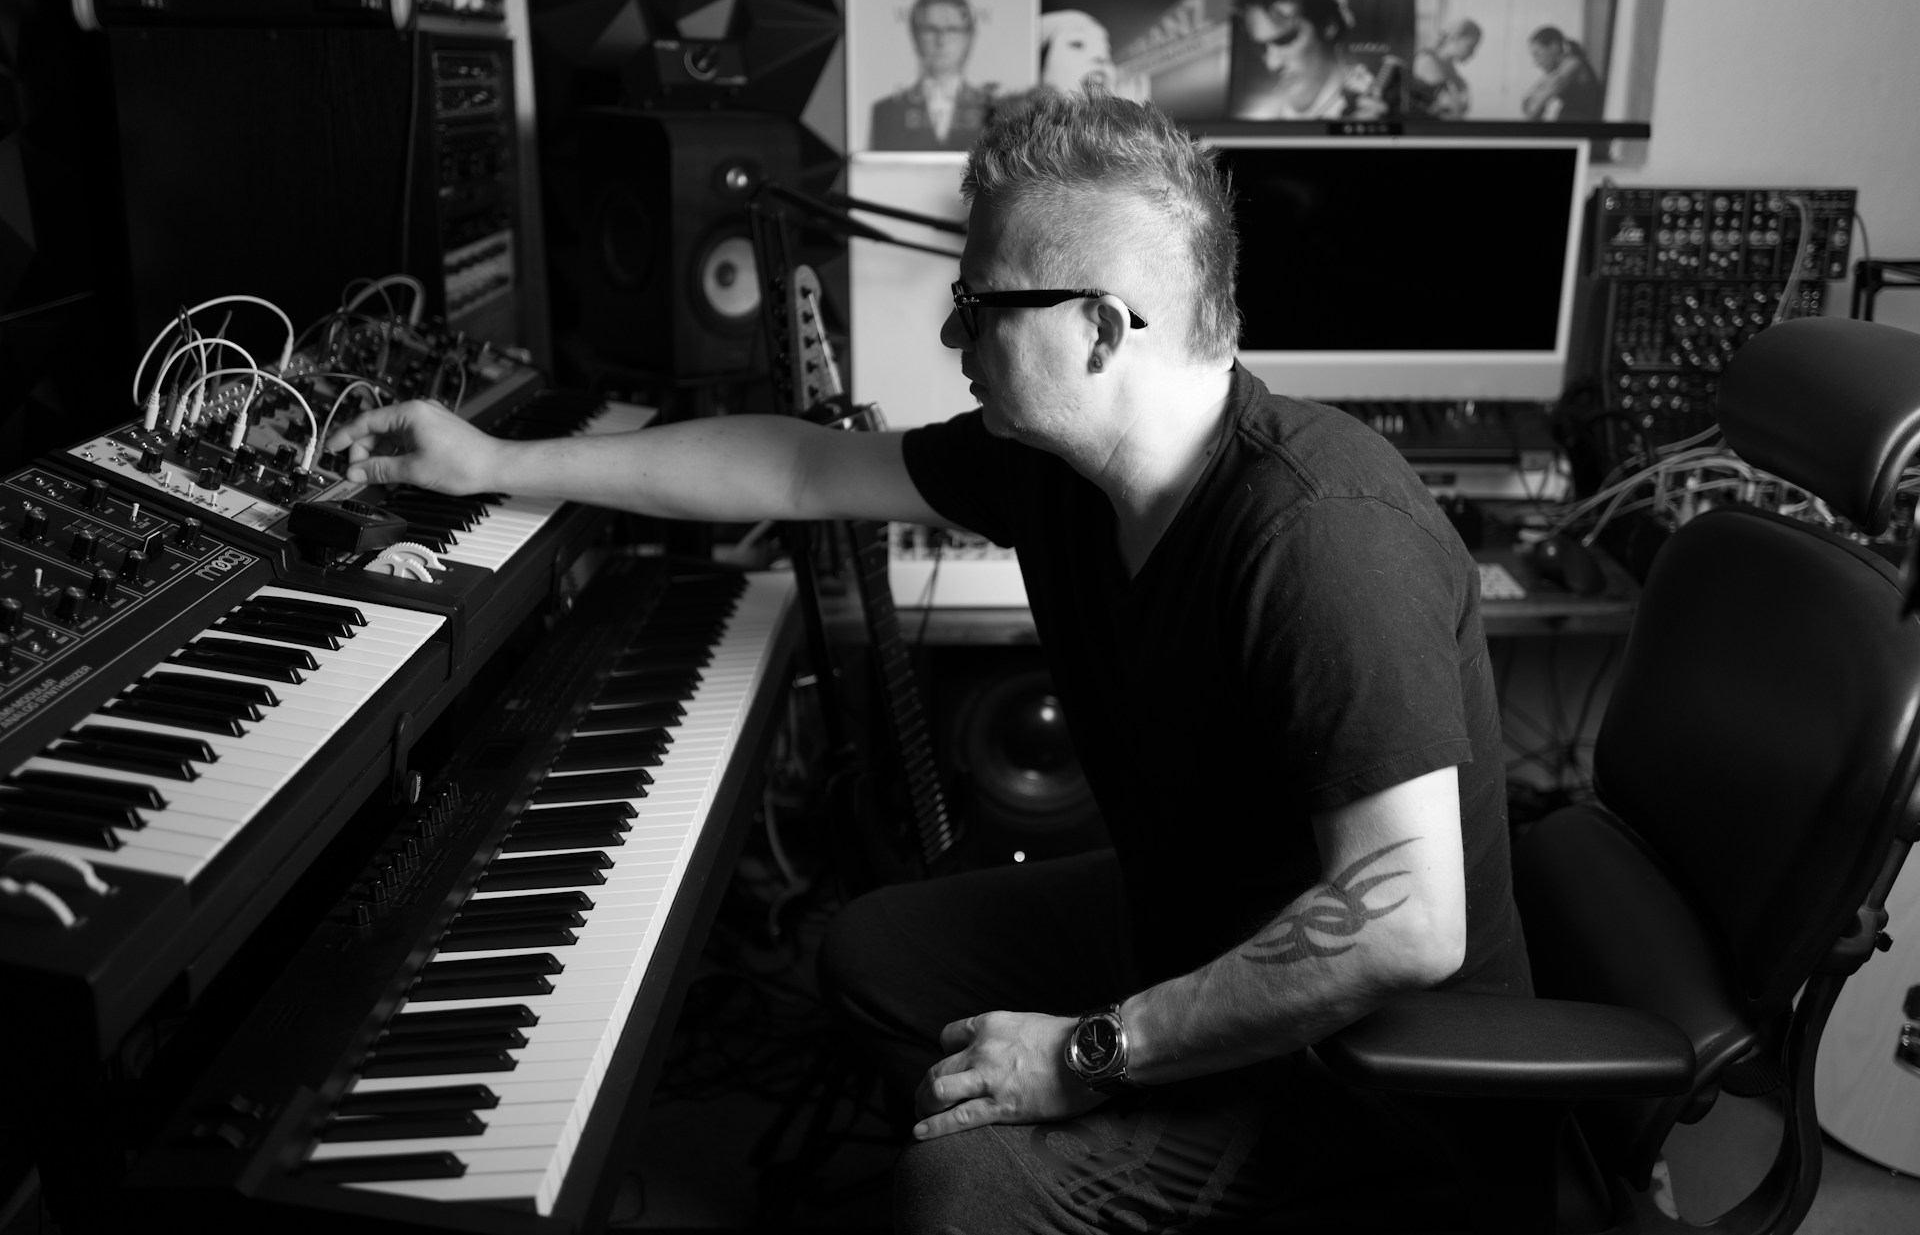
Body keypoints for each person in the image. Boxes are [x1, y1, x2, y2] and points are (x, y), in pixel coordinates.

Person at [328, 90, 1528, 1232]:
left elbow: (1407, 925)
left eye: (979, 304)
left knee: (959, 1194)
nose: (954, 333)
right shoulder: (1055, 468)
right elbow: (800, 467)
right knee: (874, 954)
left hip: (1363, 1083)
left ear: (1101, 328)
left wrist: (1088, 1053)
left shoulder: (1324, 533)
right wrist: (493, 463)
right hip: (1191, 933)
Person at [1229, 0, 1389, 120]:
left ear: (1328, 27)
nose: (1272, 64)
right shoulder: (1258, 116)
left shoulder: (1377, 99)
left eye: (1286, 40)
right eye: (1261, 48)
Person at [869, 0, 996, 151]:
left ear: (969, 37)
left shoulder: (994, 110)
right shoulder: (886, 112)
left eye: (952, 29)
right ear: (915, 36)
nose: (941, 40)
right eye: (930, 29)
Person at [1521, 24, 1603, 122]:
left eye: (1537, 54)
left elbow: (1535, 108)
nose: (1536, 62)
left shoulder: (1574, 63)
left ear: (1554, 47)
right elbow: (1528, 103)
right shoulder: (1558, 71)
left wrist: (1537, 100)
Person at [1408, 17, 1481, 119]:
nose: (1472, 53)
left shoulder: (1449, 65)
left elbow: (1460, 106)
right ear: (1456, 38)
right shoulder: (1427, 61)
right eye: (1470, 46)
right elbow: (1450, 108)